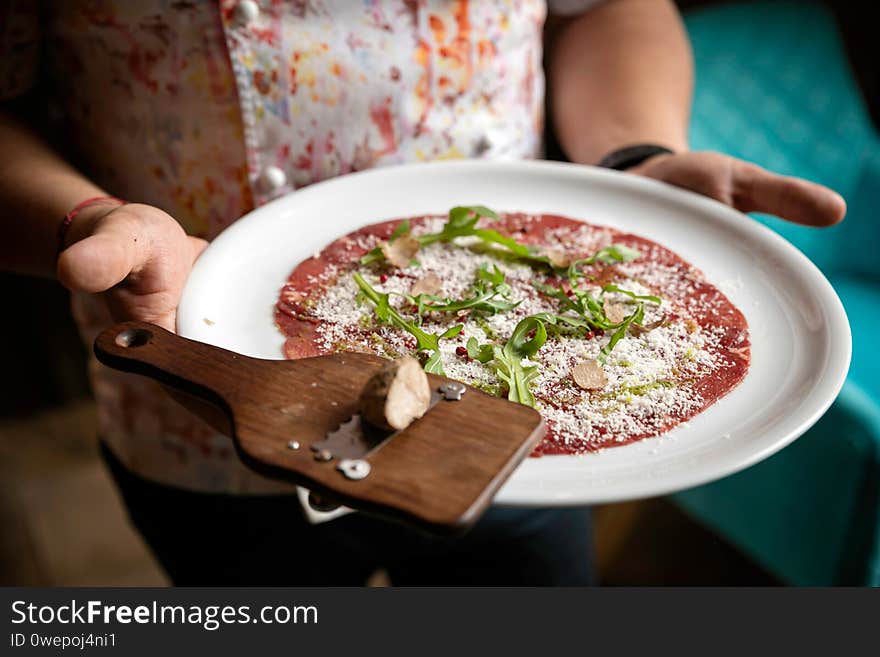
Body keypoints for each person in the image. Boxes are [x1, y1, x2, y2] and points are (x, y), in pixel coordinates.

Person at [0, 0, 845, 585]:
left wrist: (634, 161)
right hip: (204, 398)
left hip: (513, 439)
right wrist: (88, 221)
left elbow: (606, 11)